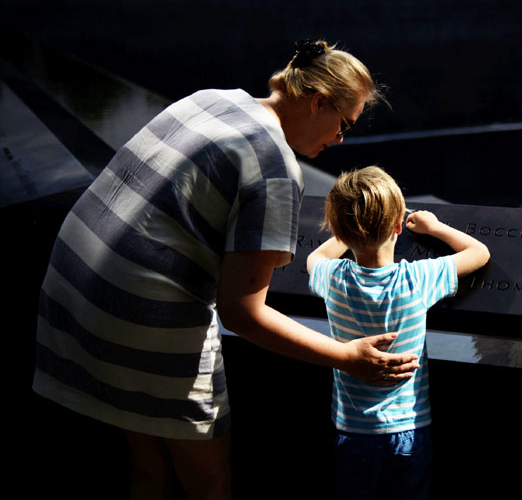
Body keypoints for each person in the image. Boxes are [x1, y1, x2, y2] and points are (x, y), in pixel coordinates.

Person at [32, 40, 419, 499]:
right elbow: (242, 313)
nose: (338, 140)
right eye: (344, 125)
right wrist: (347, 357)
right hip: (143, 317)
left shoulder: (212, 99)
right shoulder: (275, 168)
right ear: (318, 102)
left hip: (77, 288)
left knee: (149, 468)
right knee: (210, 482)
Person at [307, 166, 490, 499]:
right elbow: (479, 253)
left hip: (351, 432)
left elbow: (315, 256)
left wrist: (347, 230)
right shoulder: (417, 279)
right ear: (396, 227)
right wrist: (434, 227)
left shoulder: (331, 277)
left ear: (341, 232)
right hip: (408, 430)